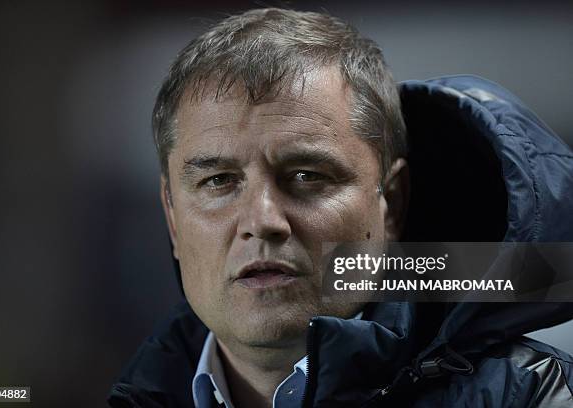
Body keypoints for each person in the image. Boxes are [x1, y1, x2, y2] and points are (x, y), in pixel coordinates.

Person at [108, 8, 573, 408]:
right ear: (171, 216)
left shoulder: (536, 394)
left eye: (307, 176)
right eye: (218, 181)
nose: (262, 221)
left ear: (391, 203)